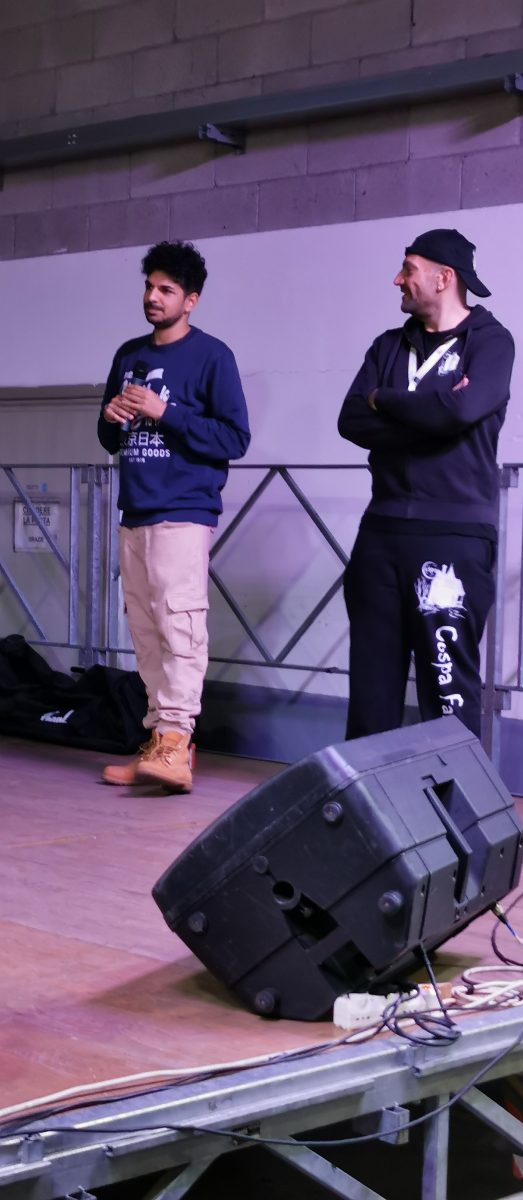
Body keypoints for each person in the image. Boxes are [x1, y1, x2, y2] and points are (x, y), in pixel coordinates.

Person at [338, 228, 515, 741]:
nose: (397, 280)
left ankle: (456, 796)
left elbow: (461, 410)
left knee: (447, 693)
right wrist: (433, 413)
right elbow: (351, 419)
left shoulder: (490, 342)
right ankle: (370, 795)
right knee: (371, 696)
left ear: (443, 278)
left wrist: (385, 400)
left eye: (408, 270)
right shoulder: (388, 346)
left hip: (453, 536)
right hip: (381, 534)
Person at [98, 240, 250, 792]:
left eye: (166, 289)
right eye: (149, 286)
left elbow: (234, 438)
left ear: (191, 300)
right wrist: (112, 418)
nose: (153, 297)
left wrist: (166, 411)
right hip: (135, 510)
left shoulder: (213, 357)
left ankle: (176, 741)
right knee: (145, 630)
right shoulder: (129, 355)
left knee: (179, 625)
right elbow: (108, 438)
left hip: (184, 512)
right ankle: (162, 742)